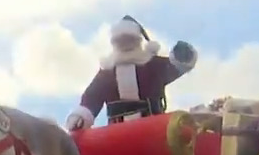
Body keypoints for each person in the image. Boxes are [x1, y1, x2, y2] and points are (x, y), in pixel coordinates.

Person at [65, 15, 197, 129]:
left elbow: (176, 66)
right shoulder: (107, 73)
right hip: (118, 134)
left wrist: (183, 55)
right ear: (115, 43)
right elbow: (92, 98)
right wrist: (81, 117)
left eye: (129, 39)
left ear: (138, 41)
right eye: (121, 41)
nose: (125, 43)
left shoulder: (152, 65)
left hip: (153, 128)